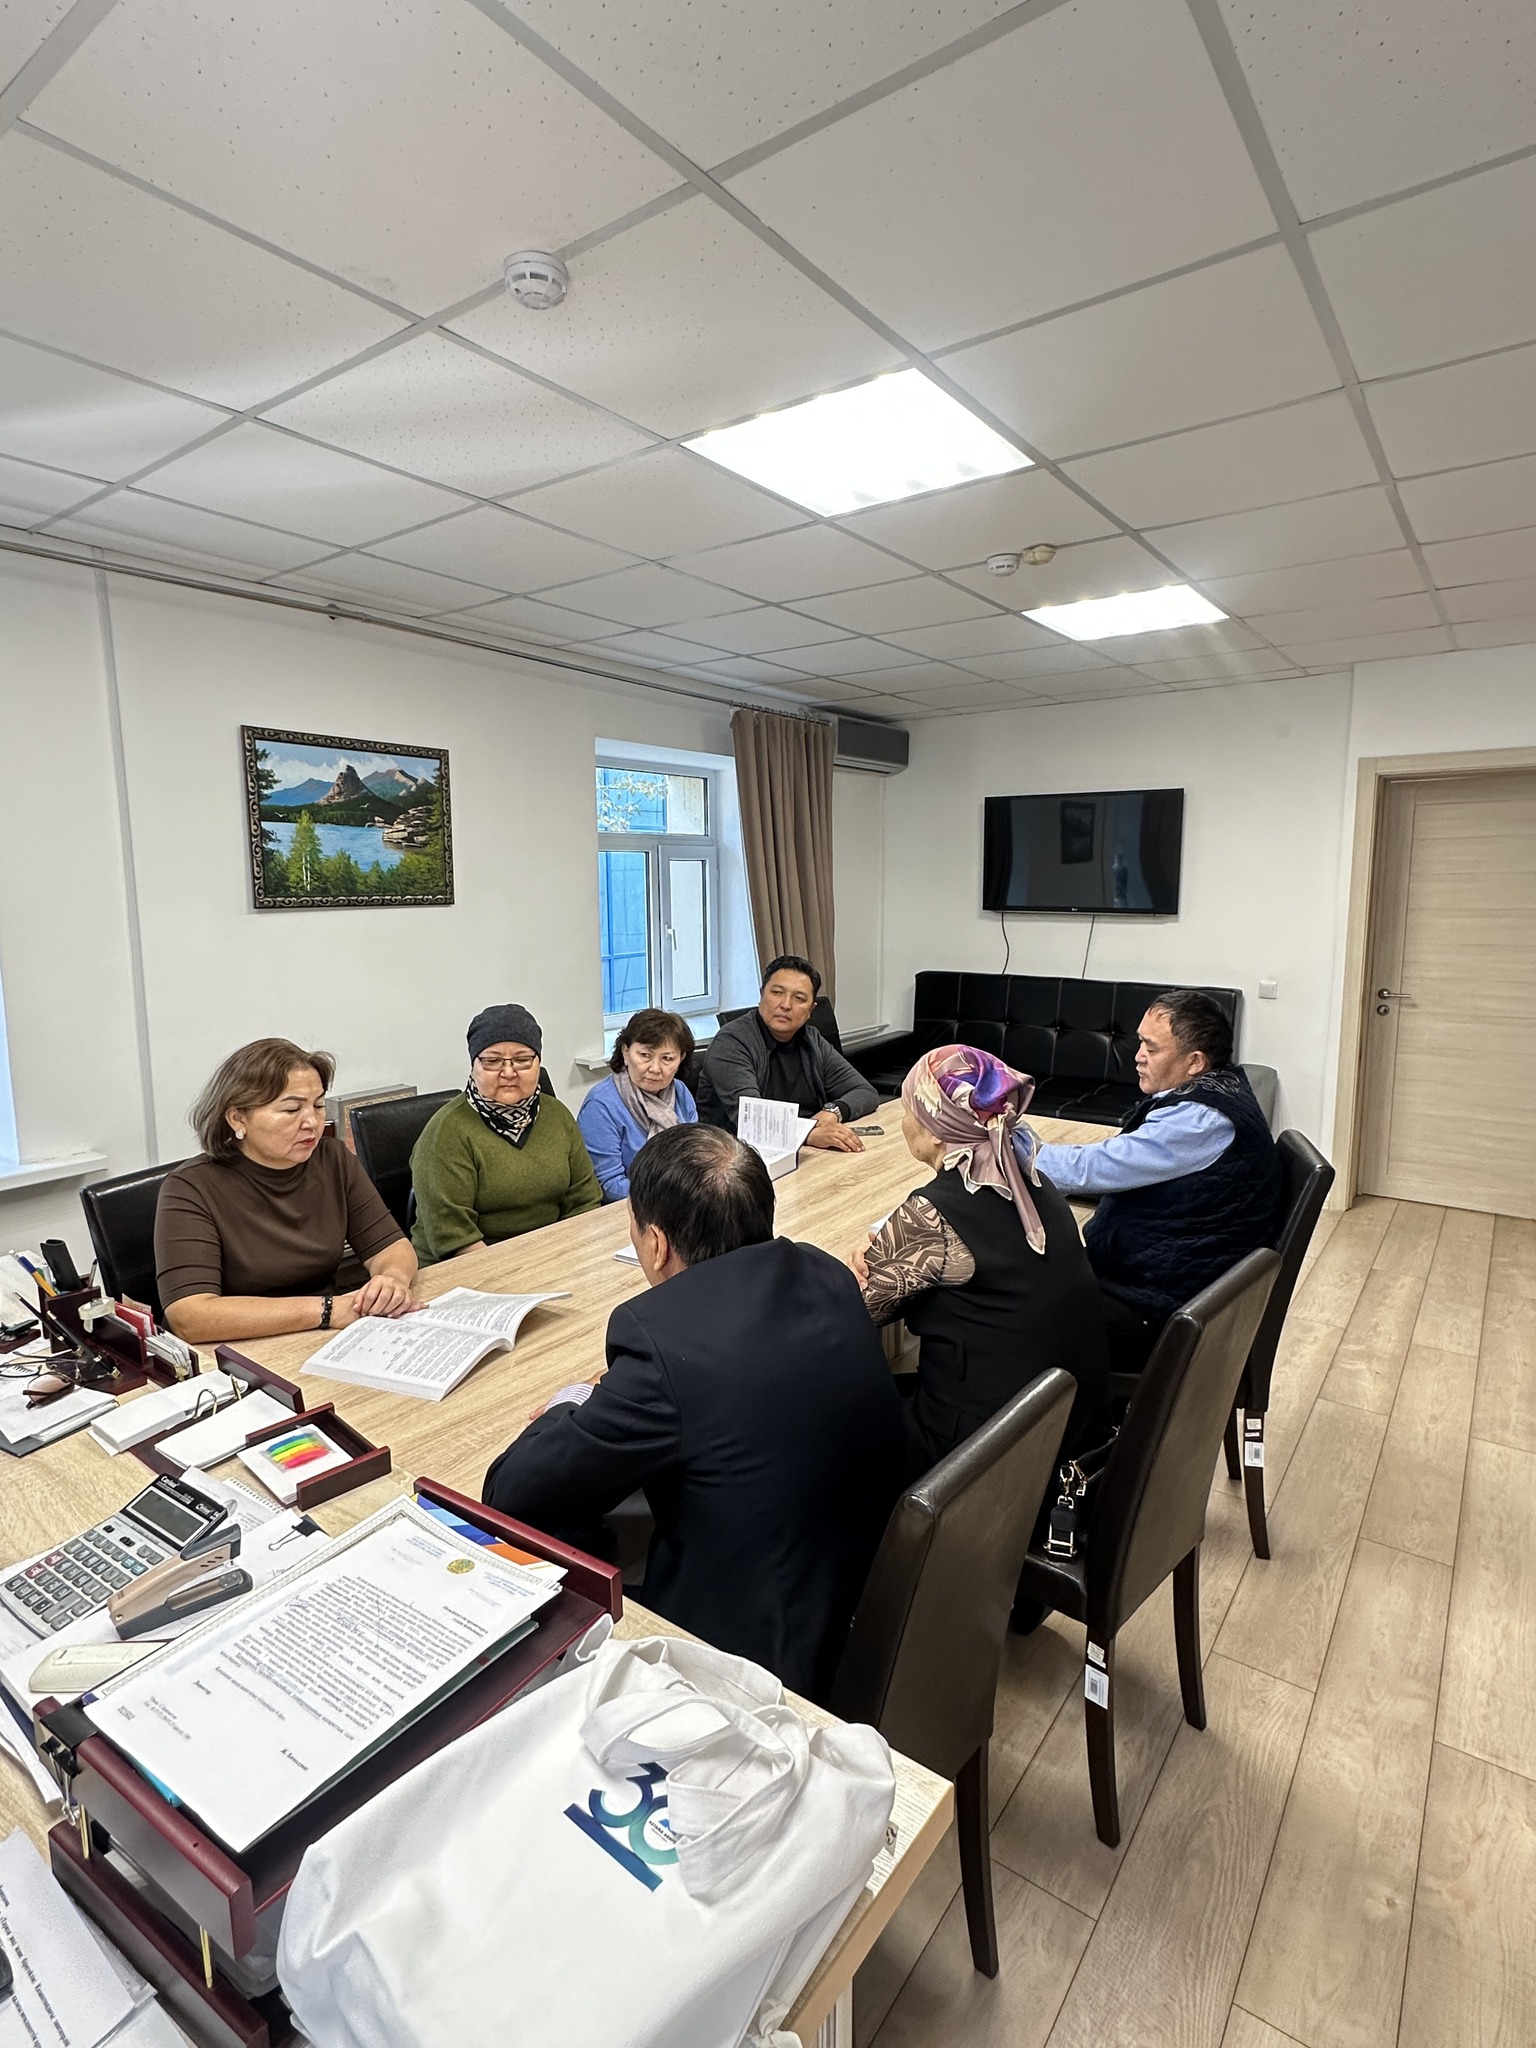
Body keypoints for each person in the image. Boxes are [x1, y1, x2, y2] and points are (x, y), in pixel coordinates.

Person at [482, 1123, 908, 1702]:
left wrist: (574, 1399)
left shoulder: (660, 1340)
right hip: (868, 1592)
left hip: (760, 1658)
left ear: (656, 1243)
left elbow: (511, 1493)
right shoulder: (824, 1270)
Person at [853, 1045, 1109, 1474]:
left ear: (937, 1129)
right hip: (1063, 1430)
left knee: (831, 1419)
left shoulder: (932, 1214)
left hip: (982, 1460)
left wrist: (852, 1265)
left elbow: (855, 1310)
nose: (902, 1121)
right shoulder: (1036, 1184)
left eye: (908, 1109)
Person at [1032, 989, 1285, 1373]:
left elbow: (1092, 1169)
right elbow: (1116, 1166)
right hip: (1169, 1279)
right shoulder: (1221, 1088)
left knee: (1013, 1311)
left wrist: (1007, 1149)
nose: (1137, 1056)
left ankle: (1059, 1405)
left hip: (1159, 1309)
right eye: (1140, 1043)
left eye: (1151, 1048)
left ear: (1195, 1061)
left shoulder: (1200, 1120)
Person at [155, 1038, 417, 1344]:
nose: (312, 1122)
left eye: (318, 1105)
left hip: (321, 1337)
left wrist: (391, 1281)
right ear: (238, 1117)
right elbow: (190, 1316)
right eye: (292, 1109)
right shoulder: (190, 1188)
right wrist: (328, 1310)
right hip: (238, 1347)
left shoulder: (332, 1159)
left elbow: (391, 1247)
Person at [410, 1004, 601, 1264]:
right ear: (473, 1066)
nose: (509, 1072)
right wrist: (519, 1270)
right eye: (492, 1061)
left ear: (538, 1063)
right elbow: (453, 1235)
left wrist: (567, 1256)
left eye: (522, 1060)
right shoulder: (445, 1134)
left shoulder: (557, 1115)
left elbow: (584, 1200)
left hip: (550, 1255)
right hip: (466, 1265)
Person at [694, 955, 877, 1149]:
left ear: (811, 1009)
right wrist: (807, 1133)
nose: (786, 1005)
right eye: (777, 993)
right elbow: (753, 1121)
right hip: (734, 1155)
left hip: (804, 1151)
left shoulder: (812, 1040)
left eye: (799, 998)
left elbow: (865, 1092)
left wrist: (833, 1112)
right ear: (761, 994)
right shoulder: (731, 1042)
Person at [576, 1008, 699, 1203]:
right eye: (645, 1055)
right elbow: (608, 1185)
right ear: (626, 1052)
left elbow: (694, 1157)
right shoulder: (600, 1105)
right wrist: (668, 1196)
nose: (655, 1068)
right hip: (630, 1207)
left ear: (680, 1059)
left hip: (682, 1200)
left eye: (667, 1058)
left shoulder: (681, 1092)